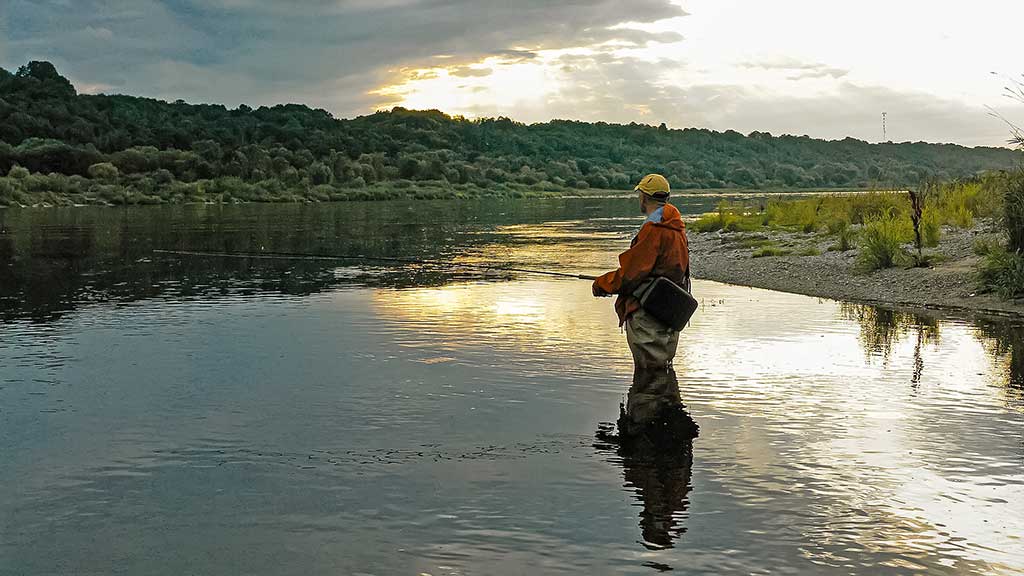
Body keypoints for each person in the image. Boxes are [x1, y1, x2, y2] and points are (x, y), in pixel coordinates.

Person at [592, 173, 692, 438]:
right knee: (662, 369)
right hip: (669, 310)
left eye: (640, 195)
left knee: (650, 374)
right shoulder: (676, 226)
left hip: (648, 312)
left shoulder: (654, 229)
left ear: (644, 197)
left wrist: (602, 284)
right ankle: (663, 428)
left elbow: (632, 273)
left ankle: (649, 433)